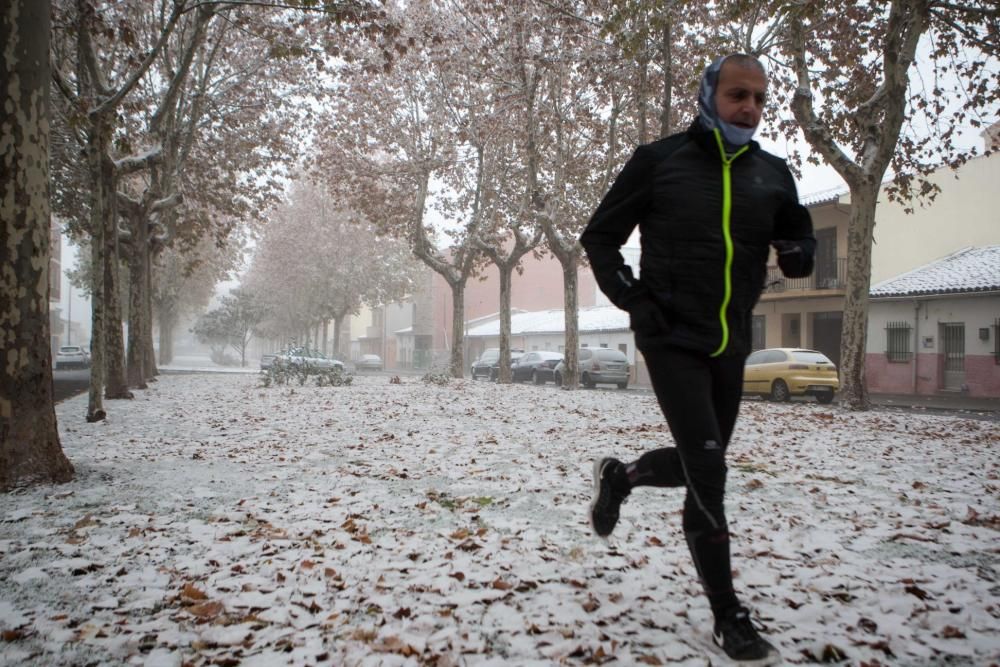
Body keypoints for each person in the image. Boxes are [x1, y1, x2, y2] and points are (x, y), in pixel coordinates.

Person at [579, 53, 815, 666]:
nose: (750, 108)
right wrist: (633, 299)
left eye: (760, 99)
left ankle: (621, 478)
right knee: (709, 472)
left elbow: (798, 234)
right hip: (671, 339)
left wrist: (799, 251)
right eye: (739, 94)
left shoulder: (773, 174)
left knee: (697, 463)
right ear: (710, 94)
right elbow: (599, 236)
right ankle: (728, 616)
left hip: (730, 341)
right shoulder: (659, 162)